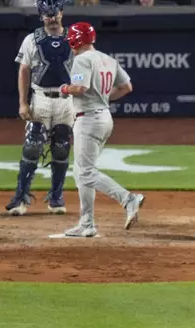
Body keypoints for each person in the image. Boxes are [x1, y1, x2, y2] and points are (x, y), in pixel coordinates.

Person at [58, 22, 145, 237]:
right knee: (81, 171)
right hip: (104, 117)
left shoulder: (81, 59)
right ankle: (86, 223)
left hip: (88, 120)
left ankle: (128, 199)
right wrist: (104, 98)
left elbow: (80, 88)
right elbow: (127, 87)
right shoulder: (108, 59)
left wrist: (64, 89)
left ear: (74, 40)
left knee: (86, 172)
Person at [5, 0, 74, 216]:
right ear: (41, 16)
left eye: (55, 14)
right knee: (33, 146)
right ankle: (20, 197)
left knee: (62, 146)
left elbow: (83, 67)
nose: (52, 19)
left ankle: (56, 197)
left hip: (66, 99)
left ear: (62, 13)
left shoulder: (73, 37)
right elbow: (24, 70)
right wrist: (23, 102)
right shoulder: (31, 39)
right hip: (41, 98)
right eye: (47, 15)